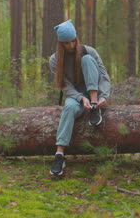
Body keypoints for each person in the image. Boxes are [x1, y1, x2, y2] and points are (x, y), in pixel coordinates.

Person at [49, 19, 111, 176]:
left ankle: (95, 106)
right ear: (60, 44)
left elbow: (104, 76)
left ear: (76, 39)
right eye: (66, 43)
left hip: (95, 92)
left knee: (87, 60)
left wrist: (102, 96)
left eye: (72, 41)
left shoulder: (89, 51)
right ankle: (59, 155)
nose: (70, 46)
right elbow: (65, 86)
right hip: (75, 95)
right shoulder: (55, 60)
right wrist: (81, 99)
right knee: (69, 108)